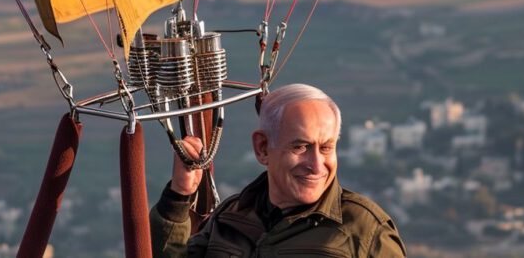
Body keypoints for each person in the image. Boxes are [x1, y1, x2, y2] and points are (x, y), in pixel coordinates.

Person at [150, 83, 406, 257]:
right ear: (262, 148)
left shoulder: (364, 230)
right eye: (301, 146)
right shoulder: (229, 218)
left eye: (326, 148)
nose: (316, 165)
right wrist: (179, 194)